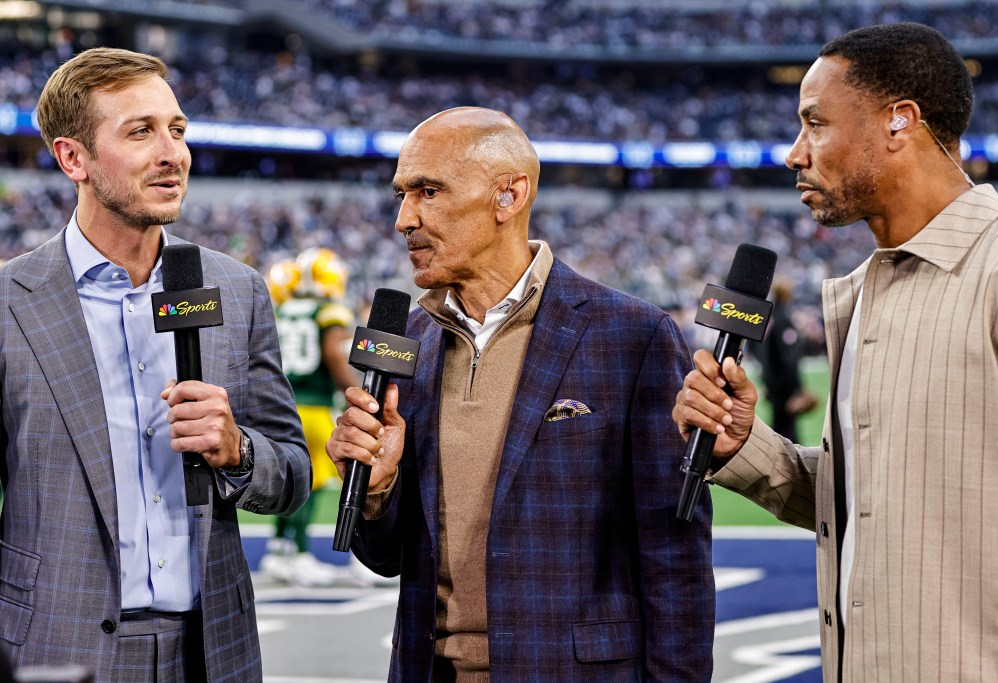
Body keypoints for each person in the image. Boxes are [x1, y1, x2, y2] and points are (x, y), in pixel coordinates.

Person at [674, 22, 998, 682]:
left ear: (899, 121)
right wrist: (743, 444)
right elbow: (870, 502)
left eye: (815, 123)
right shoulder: (862, 291)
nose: (792, 153)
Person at [327, 107, 713, 681]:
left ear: (509, 197)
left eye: (428, 191)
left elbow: (674, 559)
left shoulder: (631, 335)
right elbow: (387, 558)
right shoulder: (407, 339)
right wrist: (378, 492)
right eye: (402, 194)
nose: (404, 218)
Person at [0, 48, 310, 682]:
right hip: (54, 643)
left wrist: (238, 452)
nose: (172, 152)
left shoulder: (238, 289)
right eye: (140, 131)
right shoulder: (9, 303)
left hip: (212, 649)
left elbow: (294, 475)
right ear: (72, 158)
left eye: (177, 129)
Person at [260, 248, 359, 587]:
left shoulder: (284, 309)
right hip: (315, 406)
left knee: (288, 480)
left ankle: (280, 550)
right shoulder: (328, 311)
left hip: (284, 404)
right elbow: (334, 354)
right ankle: (310, 555)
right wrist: (357, 391)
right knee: (332, 482)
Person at [754, 276, 816, 442]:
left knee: (778, 427)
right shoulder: (783, 320)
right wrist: (797, 388)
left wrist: (766, 380)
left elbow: (760, 351)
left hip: (771, 380)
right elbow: (789, 358)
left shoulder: (768, 318)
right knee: (788, 433)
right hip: (784, 385)